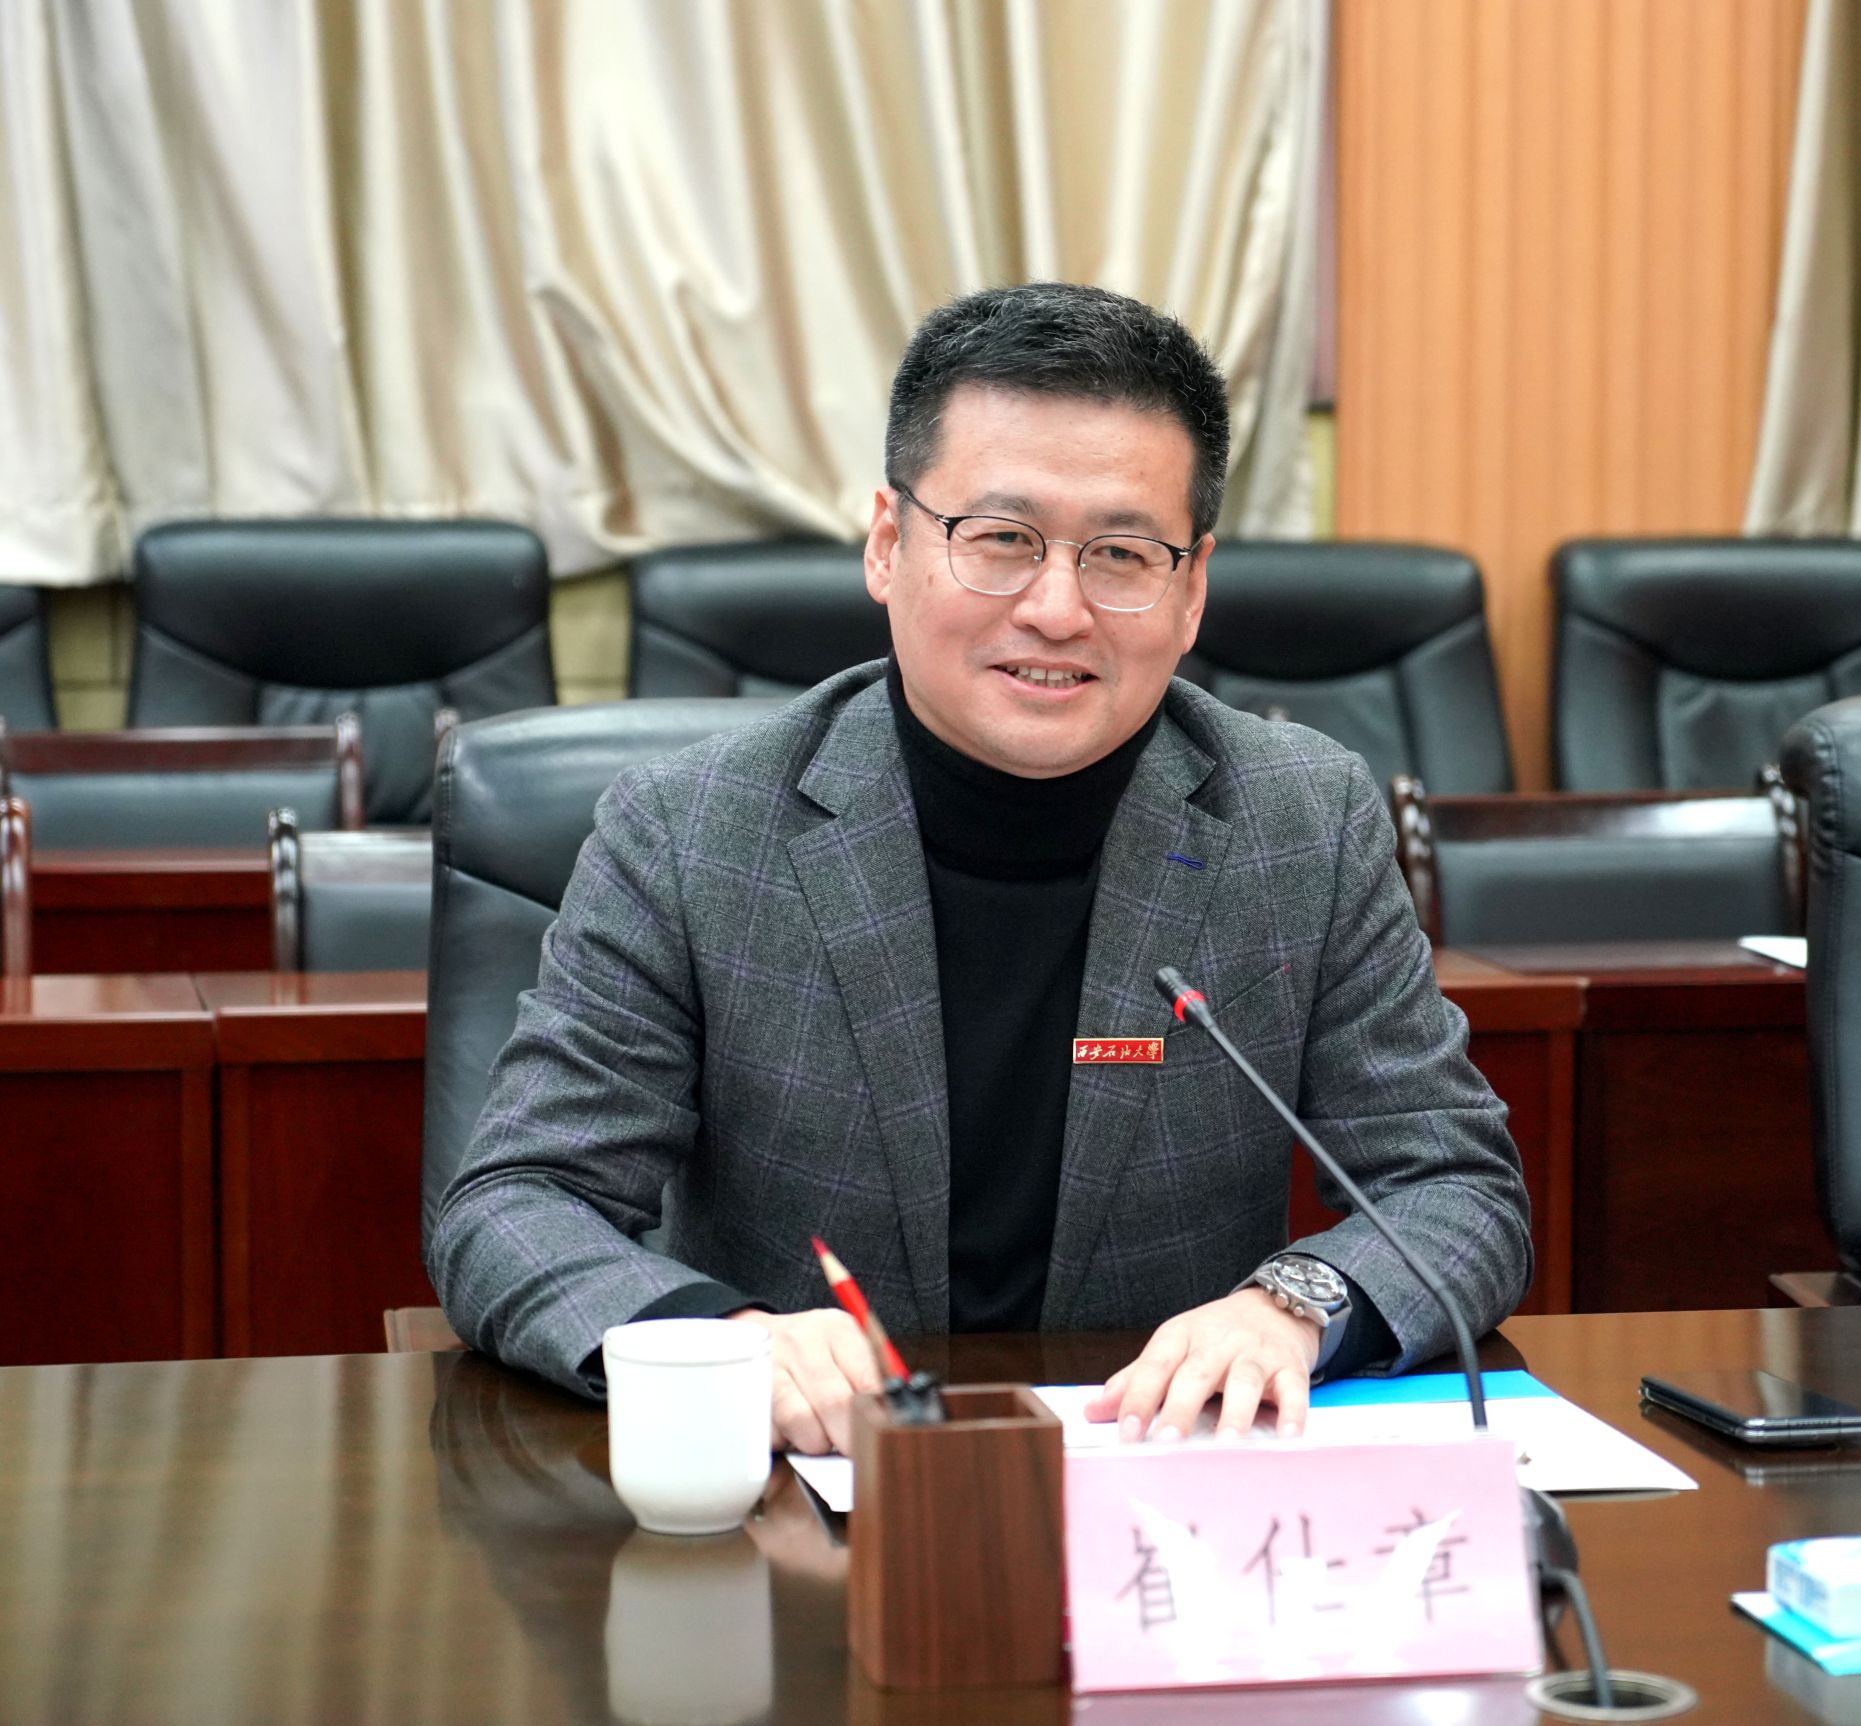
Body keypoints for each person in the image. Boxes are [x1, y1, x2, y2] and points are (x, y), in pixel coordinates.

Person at [430, 281, 1530, 1454]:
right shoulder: (693, 829)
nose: (1056, 610)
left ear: (1191, 588)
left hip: (1160, 1480)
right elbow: (513, 1205)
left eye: (1121, 554)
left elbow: (1456, 1188)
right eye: (1001, 540)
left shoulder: (1301, 820)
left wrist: (1294, 1307)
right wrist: (720, 1336)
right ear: (888, 544)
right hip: (806, 1491)